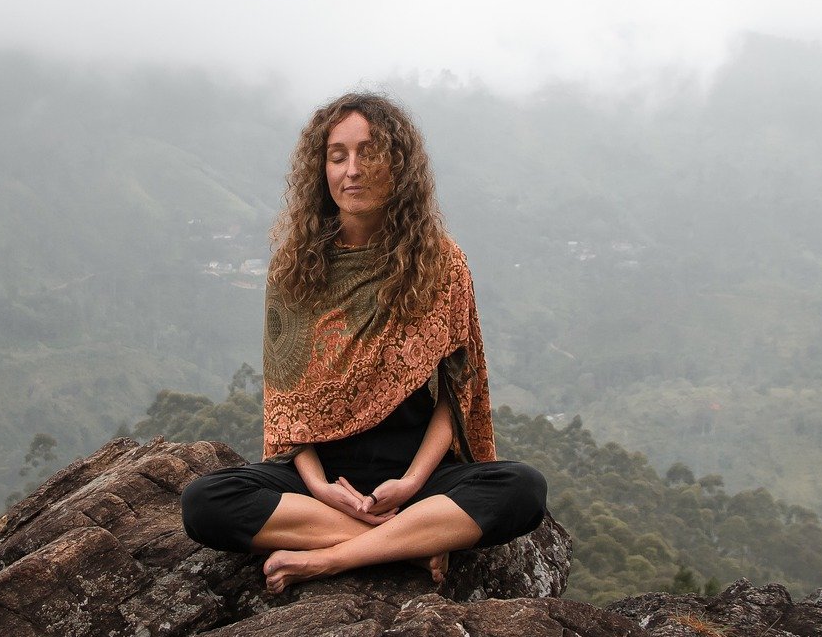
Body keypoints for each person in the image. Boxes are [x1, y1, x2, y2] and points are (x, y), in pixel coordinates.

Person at [181, 92, 548, 594]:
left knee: (523, 490)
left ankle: (332, 558)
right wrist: (318, 487)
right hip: (325, 479)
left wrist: (414, 483)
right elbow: (287, 406)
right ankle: (410, 546)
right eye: (337, 156)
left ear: (399, 166)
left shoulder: (441, 264)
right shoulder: (295, 269)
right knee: (205, 503)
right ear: (322, 170)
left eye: (369, 153)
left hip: (413, 473)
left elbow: (456, 394)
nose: (352, 170)